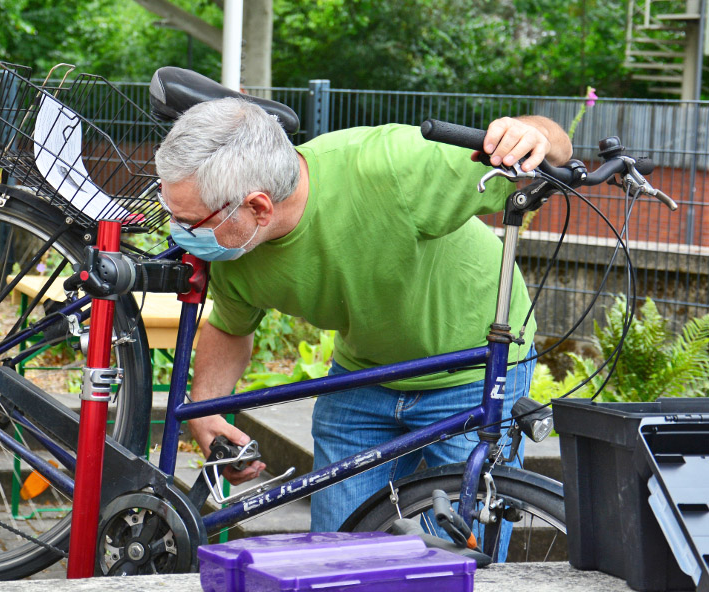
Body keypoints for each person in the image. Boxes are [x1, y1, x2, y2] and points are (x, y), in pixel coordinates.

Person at [154, 98, 572, 532]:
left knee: (462, 554)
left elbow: (552, 151)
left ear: (258, 207)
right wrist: (204, 409)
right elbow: (230, 326)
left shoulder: (394, 168)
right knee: (340, 551)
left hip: (471, 367)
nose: (179, 234)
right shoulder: (233, 248)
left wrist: (532, 134)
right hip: (364, 376)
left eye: (189, 222)